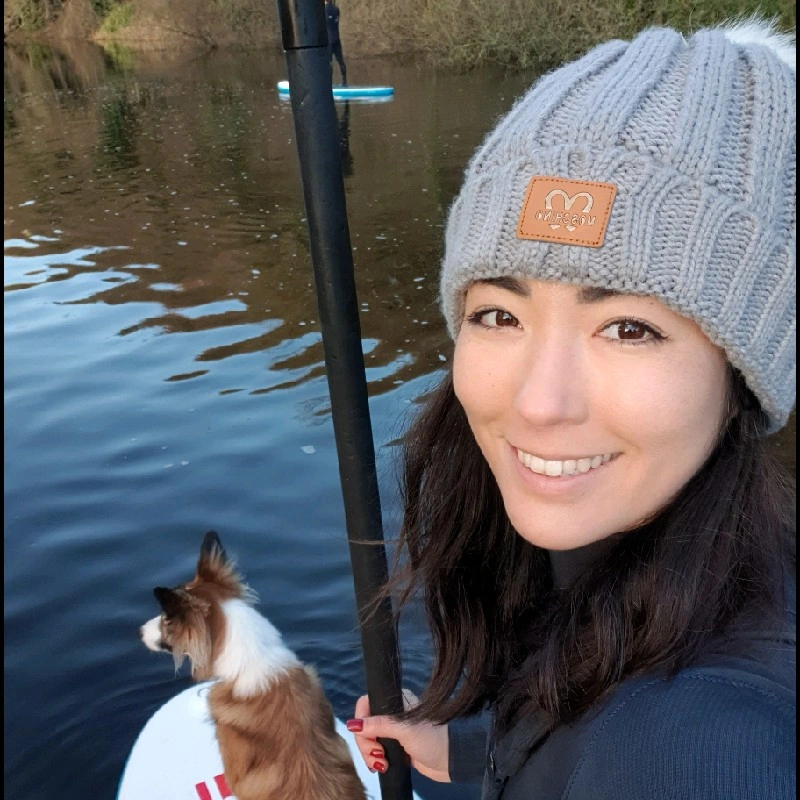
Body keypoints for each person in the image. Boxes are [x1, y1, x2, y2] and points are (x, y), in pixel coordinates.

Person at [347, 19, 797, 800]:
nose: (538, 402)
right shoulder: (675, 574)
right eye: (499, 315)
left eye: (629, 328)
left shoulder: (701, 747)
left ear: (743, 375)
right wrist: (475, 747)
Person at [325, 0, 347, 86]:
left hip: (329, 41)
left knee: (328, 62)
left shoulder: (323, 10)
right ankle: (344, 82)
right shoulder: (337, 9)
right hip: (337, 39)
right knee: (341, 60)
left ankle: (328, 84)